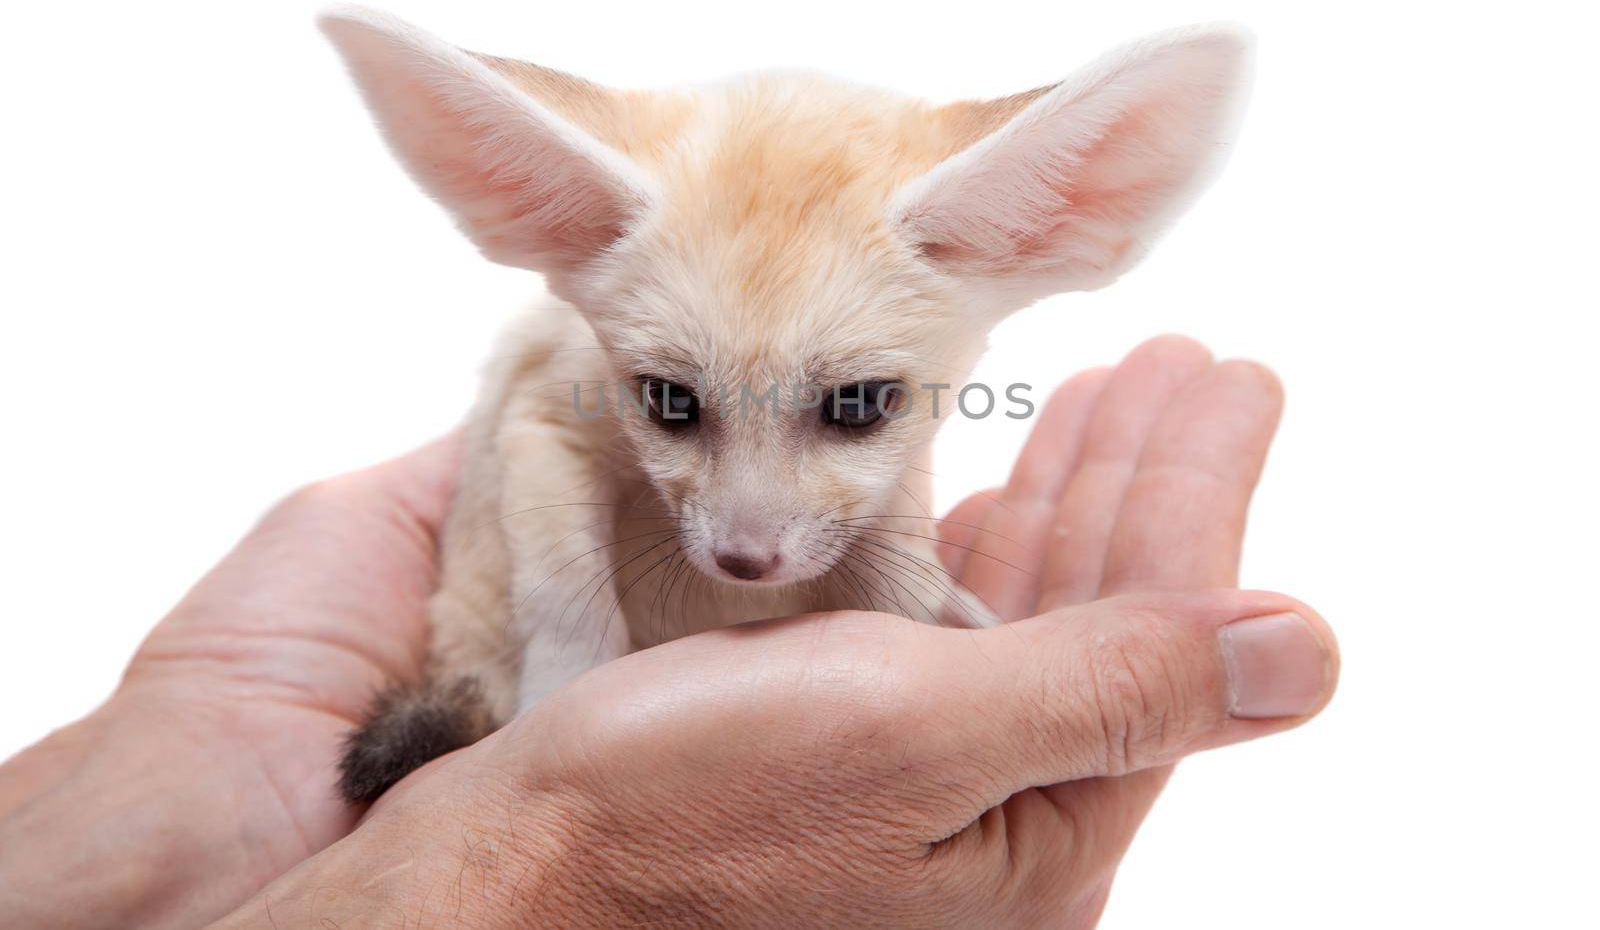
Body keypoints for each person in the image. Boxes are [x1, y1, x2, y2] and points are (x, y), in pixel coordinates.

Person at [0, 336, 1337, 927]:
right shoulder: (596, 331)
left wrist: (911, 591)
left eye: (859, 403)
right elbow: (544, 448)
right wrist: (543, 840)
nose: (746, 537)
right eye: (680, 402)